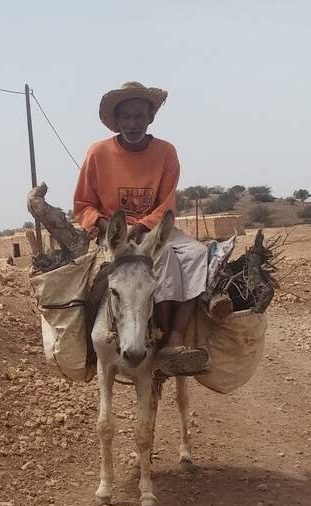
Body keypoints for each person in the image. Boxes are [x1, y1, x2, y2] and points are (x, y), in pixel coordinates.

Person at [73, 82, 209, 377]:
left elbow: (166, 203)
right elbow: (83, 204)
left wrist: (144, 226)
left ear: (150, 118)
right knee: (92, 285)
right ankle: (89, 349)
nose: (132, 123)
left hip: (155, 230)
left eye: (139, 117)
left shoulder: (166, 152)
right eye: (126, 117)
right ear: (117, 120)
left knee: (197, 254)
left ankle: (174, 336)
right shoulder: (98, 153)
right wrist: (113, 229)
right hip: (115, 236)